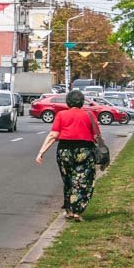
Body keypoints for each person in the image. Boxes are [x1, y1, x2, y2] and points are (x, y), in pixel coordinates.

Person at [35, 90, 105, 221]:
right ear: (82, 102)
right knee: (83, 181)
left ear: (68, 102)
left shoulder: (61, 115)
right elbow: (96, 136)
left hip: (65, 151)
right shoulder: (89, 115)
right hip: (85, 151)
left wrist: (41, 152)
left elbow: (53, 135)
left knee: (68, 180)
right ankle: (77, 211)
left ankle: (68, 211)